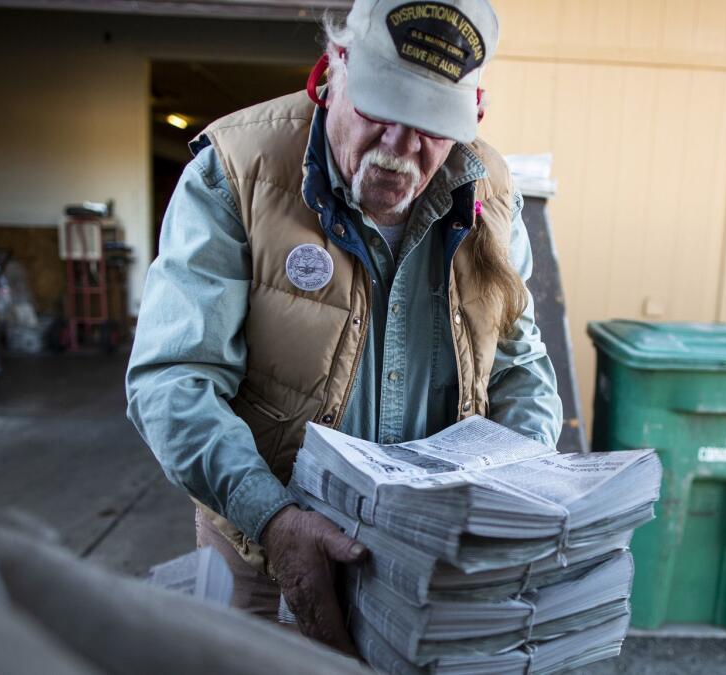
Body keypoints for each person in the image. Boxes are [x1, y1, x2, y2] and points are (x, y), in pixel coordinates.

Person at [126, 0, 561, 655]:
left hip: (431, 571)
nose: (398, 151)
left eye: (428, 128)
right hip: (262, 555)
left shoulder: (491, 196)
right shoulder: (235, 173)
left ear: (473, 112)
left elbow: (520, 368)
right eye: (380, 112)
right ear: (336, 65)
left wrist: (513, 498)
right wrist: (270, 517)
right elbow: (172, 378)